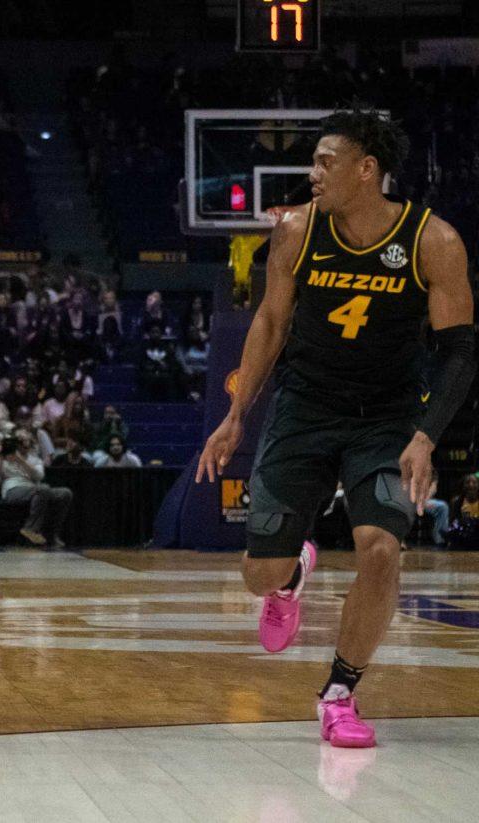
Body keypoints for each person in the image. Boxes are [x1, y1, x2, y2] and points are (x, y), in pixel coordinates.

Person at [196, 110, 475, 749]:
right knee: (259, 573)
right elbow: (269, 323)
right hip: (306, 408)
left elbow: (460, 348)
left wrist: (426, 434)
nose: (311, 172)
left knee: (380, 547)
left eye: (325, 161)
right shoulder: (296, 230)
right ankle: (291, 576)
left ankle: (340, 692)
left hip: (386, 417)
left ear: (366, 170)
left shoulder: (434, 241)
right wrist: (235, 416)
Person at [0, 432, 73, 547]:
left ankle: (52, 534)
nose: (22, 443)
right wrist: (0, 459)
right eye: (19, 441)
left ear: (30, 443)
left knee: (65, 493)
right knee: (43, 489)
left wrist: (20, 460)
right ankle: (30, 529)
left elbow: (39, 476)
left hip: (33, 489)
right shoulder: (4, 457)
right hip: (12, 489)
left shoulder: (35, 460)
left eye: (25, 440)